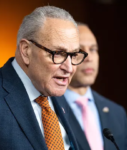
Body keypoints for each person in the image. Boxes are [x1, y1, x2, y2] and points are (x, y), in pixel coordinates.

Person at [0, 6, 88, 150]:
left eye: (73, 55)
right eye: (58, 53)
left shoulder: (56, 93)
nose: (69, 68)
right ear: (26, 51)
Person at [52, 23, 127, 150]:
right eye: (79, 51)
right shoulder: (47, 110)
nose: (89, 58)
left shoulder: (117, 113)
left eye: (93, 49)